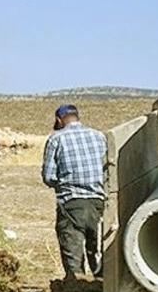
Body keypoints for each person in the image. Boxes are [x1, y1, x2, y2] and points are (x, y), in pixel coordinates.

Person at [41, 104, 108, 279]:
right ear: (78, 117)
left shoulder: (56, 139)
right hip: (98, 204)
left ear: (58, 120)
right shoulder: (99, 136)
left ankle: (77, 291)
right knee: (99, 253)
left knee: (73, 258)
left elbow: (49, 176)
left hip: (71, 205)